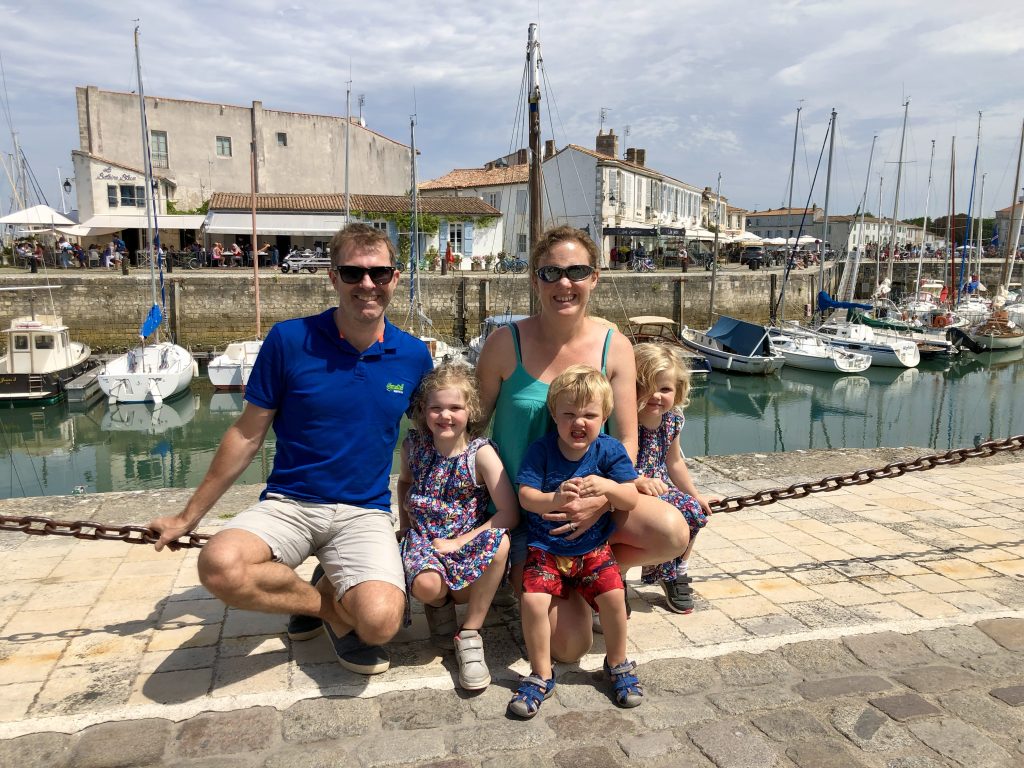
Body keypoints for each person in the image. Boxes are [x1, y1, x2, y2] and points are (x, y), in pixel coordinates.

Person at [147, 223, 433, 675]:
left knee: (380, 624)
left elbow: (429, 442)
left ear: (395, 278)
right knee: (219, 565)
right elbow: (246, 434)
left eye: (379, 273)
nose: (367, 285)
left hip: (364, 511)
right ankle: (331, 609)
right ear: (332, 278)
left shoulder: (415, 356)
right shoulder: (289, 340)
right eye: (353, 273)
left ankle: (334, 588)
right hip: (290, 503)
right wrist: (188, 517)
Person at [476, 225, 688, 667]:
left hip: (595, 504)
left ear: (595, 277)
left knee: (672, 530)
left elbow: (628, 437)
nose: (564, 283)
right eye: (550, 273)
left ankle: (603, 568)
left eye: (577, 271)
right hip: (530, 514)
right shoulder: (503, 345)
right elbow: (472, 433)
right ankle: (565, 580)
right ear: (535, 280)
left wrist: (602, 499)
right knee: (570, 650)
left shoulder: (616, 347)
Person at [511, 365, 643, 717]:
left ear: (605, 416)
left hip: (592, 549)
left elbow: (630, 497)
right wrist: (553, 499)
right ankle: (540, 673)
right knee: (533, 601)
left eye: (589, 414)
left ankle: (616, 663)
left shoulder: (609, 450)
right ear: (554, 414)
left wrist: (609, 489)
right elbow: (525, 496)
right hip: (546, 549)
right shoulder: (542, 450)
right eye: (568, 414)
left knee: (615, 597)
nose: (578, 422)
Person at [398, 363, 517, 691]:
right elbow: (405, 483)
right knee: (425, 587)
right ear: (424, 410)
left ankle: (470, 633)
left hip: (464, 541)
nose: (444, 416)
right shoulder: (415, 448)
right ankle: (439, 610)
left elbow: (509, 513)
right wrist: (405, 526)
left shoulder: (481, 455)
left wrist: (460, 541)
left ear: (471, 409)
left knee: (501, 543)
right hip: (424, 541)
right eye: (436, 408)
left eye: (454, 408)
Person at [633, 343, 715, 614]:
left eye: (665, 389)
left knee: (694, 512)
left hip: (660, 486)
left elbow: (674, 461)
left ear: (678, 390)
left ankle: (676, 570)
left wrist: (695, 494)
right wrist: (637, 479)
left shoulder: (672, 420)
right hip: (632, 484)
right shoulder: (626, 419)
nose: (656, 396)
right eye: (646, 386)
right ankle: (618, 578)